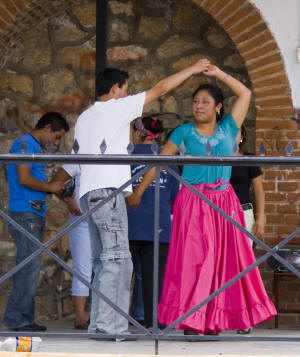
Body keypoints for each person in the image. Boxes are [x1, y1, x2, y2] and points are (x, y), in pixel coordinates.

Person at [127, 64, 276, 335]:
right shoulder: (183, 132)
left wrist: (218, 74)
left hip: (224, 202)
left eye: (205, 102)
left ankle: (213, 320)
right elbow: (159, 163)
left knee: (221, 262)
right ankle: (193, 320)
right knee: (194, 261)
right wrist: (138, 192)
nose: (198, 106)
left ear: (218, 107)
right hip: (193, 201)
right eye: (196, 102)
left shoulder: (230, 127)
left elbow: (245, 94)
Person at [74, 58, 211, 338]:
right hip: (108, 192)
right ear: (115, 88)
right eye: (125, 89)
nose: (128, 95)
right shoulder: (116, 107)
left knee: (103, 261)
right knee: (119, 260)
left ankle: (100, 325)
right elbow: (160, 88)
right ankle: (112, 328)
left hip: (87, 193)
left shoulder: (85, 116)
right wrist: (193, 69)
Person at [3, 112, 69, 332]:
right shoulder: (24, 143)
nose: (56, 143)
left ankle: (22, 318)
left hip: (34, 213)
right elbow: (23, 177)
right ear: (47, 128)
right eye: (57, 137)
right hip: (25, 213)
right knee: (28, 267)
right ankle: (17, 320)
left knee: (30, 267)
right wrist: (50, 187)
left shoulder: (32, 146)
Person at [128, 116, 179, 329]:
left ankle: (116, 321)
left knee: (121, 278)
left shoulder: (125, 156)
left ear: (138, 133)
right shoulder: (167, 159)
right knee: (154, 280)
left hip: (128, 224)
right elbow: (175, 195)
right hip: (158, 227)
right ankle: (153, 323)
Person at [50, 165, 92, 330]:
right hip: (81, 217)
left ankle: (102, 316)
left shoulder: (116, 151)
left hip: (106, 218)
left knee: (106, 266)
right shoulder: (81, 156)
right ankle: (81, 318)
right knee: (83, 268)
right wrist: (69, 200)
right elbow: (56, 182)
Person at [230, 125, 265, 244]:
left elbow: (259, 191)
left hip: (244, 214)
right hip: (219, 213)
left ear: (242, 137)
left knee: (244, 258)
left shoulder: (249, 159)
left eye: (236, 132)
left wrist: (260, 217)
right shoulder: (215, 159)